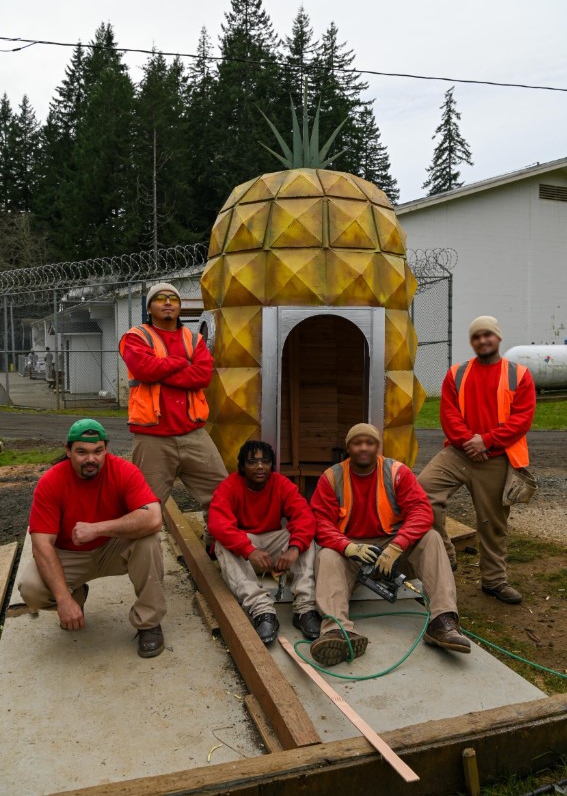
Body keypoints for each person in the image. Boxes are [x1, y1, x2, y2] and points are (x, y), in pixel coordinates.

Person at [309, 423, 470, 667]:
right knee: (327, 556)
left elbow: (421, 511)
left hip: (392, 547)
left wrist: (396, 546)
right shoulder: (332, 477)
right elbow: (320, 521)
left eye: (369, 442)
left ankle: (443, 621)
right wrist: (346, 547)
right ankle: (337, 630)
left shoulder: (397, 472)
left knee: (431, 538)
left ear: (377, 446)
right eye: (357, 443)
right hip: (353, 550)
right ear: (348, 447)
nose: (363, 448)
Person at [18, 419, 167, 658]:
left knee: (148, 540)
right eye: (82, 452)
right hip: (70, 555)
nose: (91, 459)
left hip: (112, 549)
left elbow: (153, 519)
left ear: (105, 449)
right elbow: (41, 544)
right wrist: (63, 599)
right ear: (68, 451)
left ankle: (149, 623)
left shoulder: (124, 471)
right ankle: (76, 595)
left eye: (98, 451)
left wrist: (98, 529)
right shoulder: (51, 482)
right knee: (31, 588)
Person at [418, 316, 536, 604]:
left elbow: (522, 419)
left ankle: (494, 581)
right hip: (458, 452)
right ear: (472, 341)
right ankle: (445, 556)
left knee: (492, 523)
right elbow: (448, 415)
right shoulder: (456, 373)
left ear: (497, 338)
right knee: (421, 495)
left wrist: (487, 440)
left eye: (488, 335)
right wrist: (471, 442)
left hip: (497, 457)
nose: (483, 340)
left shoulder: (519, 375)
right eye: (477, 336)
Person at [119, 283, 227, 540]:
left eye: (172, 299)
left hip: (193, 433)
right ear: (150, 307)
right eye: (160, 298)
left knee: (222, 495)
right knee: (145, 506)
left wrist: (162, 369)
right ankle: (138, 559)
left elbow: (201, 376)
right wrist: (179, 363)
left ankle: (216, 543)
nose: (167, 302)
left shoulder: (194, 339)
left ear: (179, 306)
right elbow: (144, 369)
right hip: (152, 436)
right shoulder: (135, 337)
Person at [208, 441, 320, 645]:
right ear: (242, 466)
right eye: (252, 462)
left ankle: (305, 608)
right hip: (247, 547)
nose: (260, 467)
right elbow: (218, 523)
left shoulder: (281, 483)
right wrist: (249, 550)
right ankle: (262, 610)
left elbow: (304, 516)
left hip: (272, 542)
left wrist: (294, 549)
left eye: (265, 461)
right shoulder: (230, 486)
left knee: (305, 538)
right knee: (222, 544)